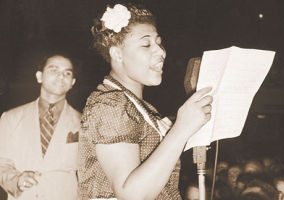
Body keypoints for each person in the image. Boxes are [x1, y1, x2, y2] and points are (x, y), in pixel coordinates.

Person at [78, 3, 213, 200]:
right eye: (146, 44)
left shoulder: (140, 107)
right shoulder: (110, 105)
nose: (161, 52)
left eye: (159, 43)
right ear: (117, 54)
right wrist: (181, 129)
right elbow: (131, 194)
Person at [0, 53, 81, 200]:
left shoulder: (85, 122)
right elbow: (1, 163)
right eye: (54, 70)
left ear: (72, 82)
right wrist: (16, 180)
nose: (61, 76)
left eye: (67, 73)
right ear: (39, 76)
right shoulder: (10, 118)